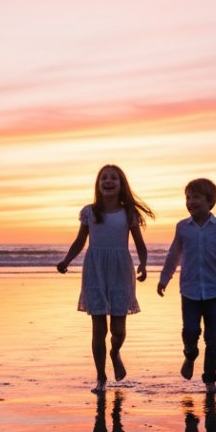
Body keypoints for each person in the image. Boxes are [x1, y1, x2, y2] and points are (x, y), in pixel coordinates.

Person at [56, 165, 153, 392]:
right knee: (99, 329)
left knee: (118, 330)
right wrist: (66, 261)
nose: (108, 181)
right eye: (104, 178)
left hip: (120, 271)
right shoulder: (90, 212)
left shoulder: (128, 213)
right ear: (98, 185)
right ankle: (100, 377)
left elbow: (139, 243)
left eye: (113, 178)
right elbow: (80, 241)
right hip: (95, 271)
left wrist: (144, 264)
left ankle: (115, 352)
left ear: (121, 185)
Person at [156, 178, 216, 394]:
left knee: (214, 338)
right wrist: (164, 278)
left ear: (210, 201)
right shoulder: (182, 228)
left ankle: (209, 380)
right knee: (190, 331)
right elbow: (173, 255)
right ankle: (190, 354)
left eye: (196, 197)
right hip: (189, 291)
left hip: (215, 290)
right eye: (187, 197)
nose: (190, 201)